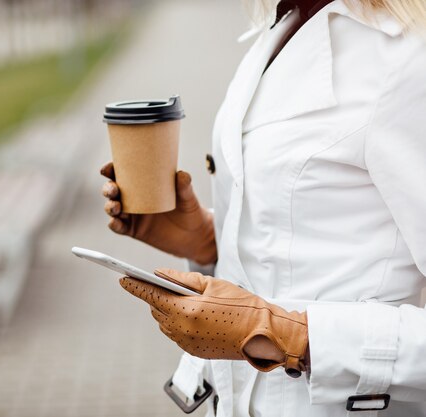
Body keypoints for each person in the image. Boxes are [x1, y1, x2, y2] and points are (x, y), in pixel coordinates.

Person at [100, 0, 426, 416]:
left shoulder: (408, 58)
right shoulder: (281, 29)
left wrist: (288, 336)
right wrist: (206, 241)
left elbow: (269, 321)